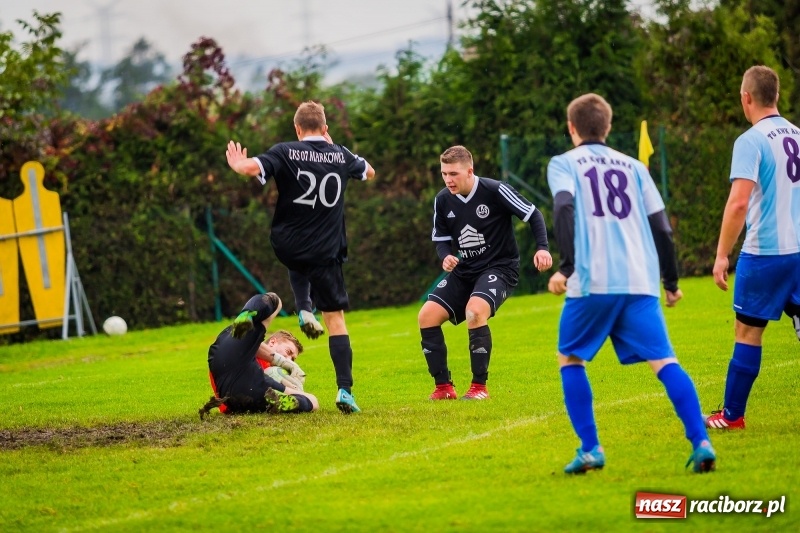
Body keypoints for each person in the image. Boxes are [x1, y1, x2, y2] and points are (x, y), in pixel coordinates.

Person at [546, 93, 715, 474]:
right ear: (607, 126)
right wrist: (671, 281)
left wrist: (568, 265)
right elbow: (662, 227)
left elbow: (562, 207)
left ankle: (590, 449)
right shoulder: (635, 166)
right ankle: (701, 441)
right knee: (664, 360)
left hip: (593, 280)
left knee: (570, 358)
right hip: (640, 281)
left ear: (572, 128)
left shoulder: (563, 163)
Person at [225, 101, 375, 414]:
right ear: (325, 128)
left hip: (287, 243)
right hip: (326, 249)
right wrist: (339, 151)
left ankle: (301, 309)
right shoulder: (341, 155)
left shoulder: (285, 150)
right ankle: (345, 391)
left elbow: (253, 167)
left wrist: (239, 165)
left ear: (297, 128)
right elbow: (369, 172)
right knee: (335, 321)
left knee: (298, 260)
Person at [706, 65, 800, 430]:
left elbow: (738, 204)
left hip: (766, 254)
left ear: (746, 98)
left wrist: (721, 254)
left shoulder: (750, 140)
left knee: (747, 332)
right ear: (776, 95)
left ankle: (732, 416)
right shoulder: (797, 134)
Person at [418, 145, 553, 400]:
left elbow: (534, 214)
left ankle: (479, 387)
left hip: (499, 268)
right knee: (426, 316)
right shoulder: (442, 199)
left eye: (454, 174)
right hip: (464, 271)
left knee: (475, 311)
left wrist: (542, 248)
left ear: (470, 171)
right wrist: (445, 256)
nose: (448, 179)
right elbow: (442, 239)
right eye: (444, 173)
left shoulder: (495, 190)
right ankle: (444, 388)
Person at [201, 292, 318, 419]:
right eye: (289, 352)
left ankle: (247, 314)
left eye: (292, 359)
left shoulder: (266, 370)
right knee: (276, 301)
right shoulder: (253, 345)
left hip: (232, 398)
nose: (289, 359)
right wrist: (283, 362)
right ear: (272, 342)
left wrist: (294, 386)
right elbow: (258, 348)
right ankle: (247, 315)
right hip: (239, 374)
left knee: (312, 399)